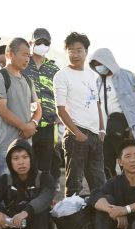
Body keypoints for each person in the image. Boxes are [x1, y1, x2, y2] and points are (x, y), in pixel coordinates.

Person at [53, 32, 106, 197]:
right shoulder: (62, 75)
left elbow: (97, 103)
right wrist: (78, 134)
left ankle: (96, 221)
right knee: (74, 186)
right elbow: (60, 109)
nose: (74, 54)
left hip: (96, 136)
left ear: (86, 51)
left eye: (79, 50)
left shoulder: (93, 75)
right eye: (70, 50)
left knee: (100, 186)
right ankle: (72, 221)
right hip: (77, 137)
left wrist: (102, 129)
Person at [89, 48, 135, 179]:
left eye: (100, 63)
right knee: (106, 164)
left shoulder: (127, 76)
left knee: (127, 162)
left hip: (123, 126)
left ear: (108, 61)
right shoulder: (97, 82)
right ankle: (113, 191)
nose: (98, 67)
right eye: (95, 64)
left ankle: (131, 190)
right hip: (104, 130)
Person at [0, 38, 41, 183]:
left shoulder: (27, 80)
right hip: (5, 145)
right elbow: (2, 110)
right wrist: (24, 127)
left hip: (25, 146)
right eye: (24, 54)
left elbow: (38, 108)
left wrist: (33, 124)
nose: (27, 59)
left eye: (29, 56)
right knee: (1, 186)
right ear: (11, 54)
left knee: (23, 187)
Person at [23, 28, 60, 181]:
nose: (42, 45)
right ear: (31, 43)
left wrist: (59, 114)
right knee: (25, 165)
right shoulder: (23, 64)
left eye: (46, 43)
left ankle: (44, 200)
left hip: (49, 124)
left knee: (45, 168)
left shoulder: (54, 68)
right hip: (26, 124)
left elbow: (61, 93)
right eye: (39, 42)